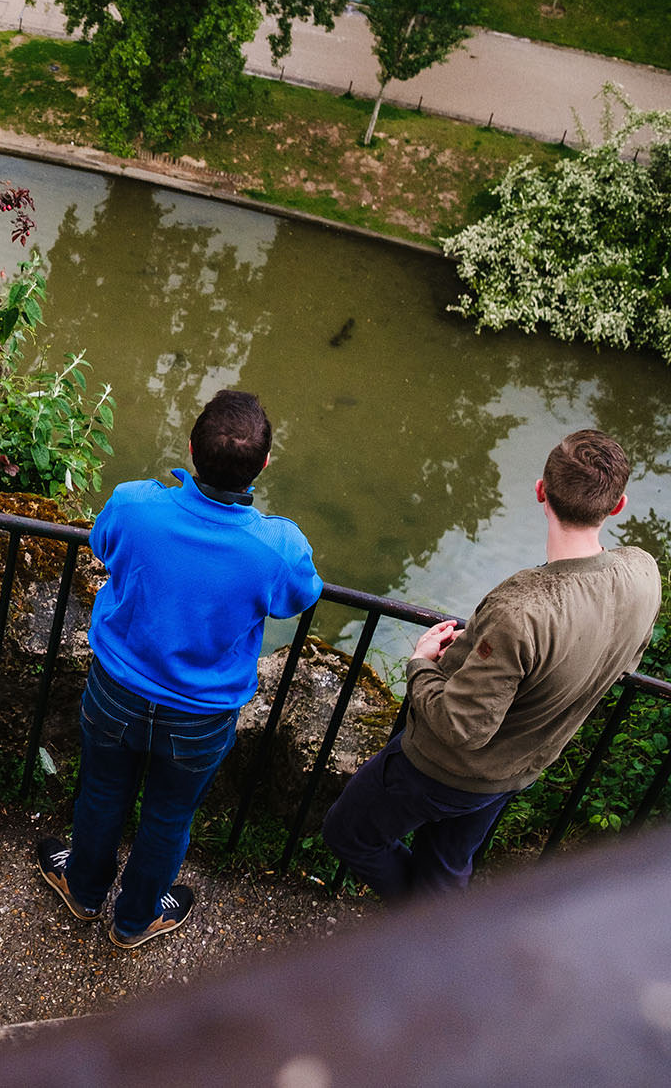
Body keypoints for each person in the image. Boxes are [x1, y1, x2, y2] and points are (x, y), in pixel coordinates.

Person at [36, 389, 322, 947]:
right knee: (168, 818)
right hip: (200, 714)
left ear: (190, 449)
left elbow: (102, 545)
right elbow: (299, 598)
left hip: (117, 688)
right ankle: (136, 918)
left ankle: (85, 888)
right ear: (263, 464)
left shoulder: (135, 505)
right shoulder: (277, 547)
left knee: (100, 793)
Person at [323, 430, 661, 899]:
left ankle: (421, 935)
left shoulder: (521, 607)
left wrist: (421, 664)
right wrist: (483, 651)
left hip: (438, 769)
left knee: (347, 833)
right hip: (515, 771)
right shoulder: (643, 573)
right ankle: (447, 944)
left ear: (541, 490)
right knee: (445, 869)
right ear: (618, 504)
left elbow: (461, 725)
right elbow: (618, 658)